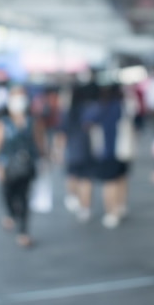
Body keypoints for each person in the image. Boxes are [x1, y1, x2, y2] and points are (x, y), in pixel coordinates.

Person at [0, 86, 46, 248]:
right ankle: (11, 214)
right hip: (7, 167)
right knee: (8, 194)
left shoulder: (33, 122)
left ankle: (23, 232)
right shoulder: (1, 123)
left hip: (27, 166)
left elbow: (40, 143)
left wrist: (45, 159)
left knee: (24, 197)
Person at [86, 84, 133, 229]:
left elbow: (87, 123)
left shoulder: (100, 108)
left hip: (106, 151)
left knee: (109, 183)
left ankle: (111, 212)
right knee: (121, 179)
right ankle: (120, 206)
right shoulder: (123, 106)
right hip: (123, 150)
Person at [58, 84, 96, 222]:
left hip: (72, 151)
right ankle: (85, 208)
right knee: (86, 180)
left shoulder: (68, 112)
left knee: (72, 176)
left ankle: (73, 197)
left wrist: (60, 151)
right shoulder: (91, 110)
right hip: (87, 150)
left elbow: (62, 134)